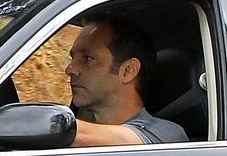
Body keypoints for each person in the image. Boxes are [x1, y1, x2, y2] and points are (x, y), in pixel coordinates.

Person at [65, 12, 186, 147]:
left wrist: (52, 122)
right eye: (73, 58)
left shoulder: (164, 135)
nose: (70, 69)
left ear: (128, 70)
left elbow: (79, 135)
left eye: (88, 58)